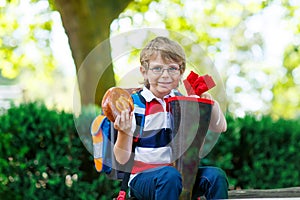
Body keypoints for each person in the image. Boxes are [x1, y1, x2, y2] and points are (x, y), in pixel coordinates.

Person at [113, 36, 228, 200]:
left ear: (181, 72)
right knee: (169, 176)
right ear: (144, 72)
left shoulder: (183, 103)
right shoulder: (135, 105)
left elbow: (220, 127)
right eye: (157, 68)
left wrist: (208, 100)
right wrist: (124, 132)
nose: (165, 75)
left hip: (180, 175)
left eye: (172, 68)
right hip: (142, 179)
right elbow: (121, 159)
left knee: (215, 176)